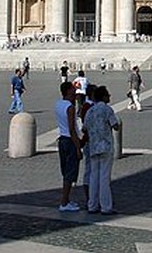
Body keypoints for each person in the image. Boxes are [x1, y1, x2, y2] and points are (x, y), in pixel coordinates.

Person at [83, 86, 121, 215]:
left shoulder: (90, 111)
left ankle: (92, 205)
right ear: (103, 97)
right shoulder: (107, 109)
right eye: (108, 95)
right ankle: (106, 207)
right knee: (104, 178)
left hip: (93, 147)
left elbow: (84, 128)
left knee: (93, 177)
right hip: (105, 147)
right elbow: (115, 126)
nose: (109, 97)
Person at [55, 81, 83, 212]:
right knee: (70, 173)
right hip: (70, 141)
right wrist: (78, 148)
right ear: (67, 91)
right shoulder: (70, 108)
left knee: (66, 171)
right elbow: (72, 129)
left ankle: (66, 200)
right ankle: (64, 202)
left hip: (62, 140)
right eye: (73, 90)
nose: (75, 92)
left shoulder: (58, 104)